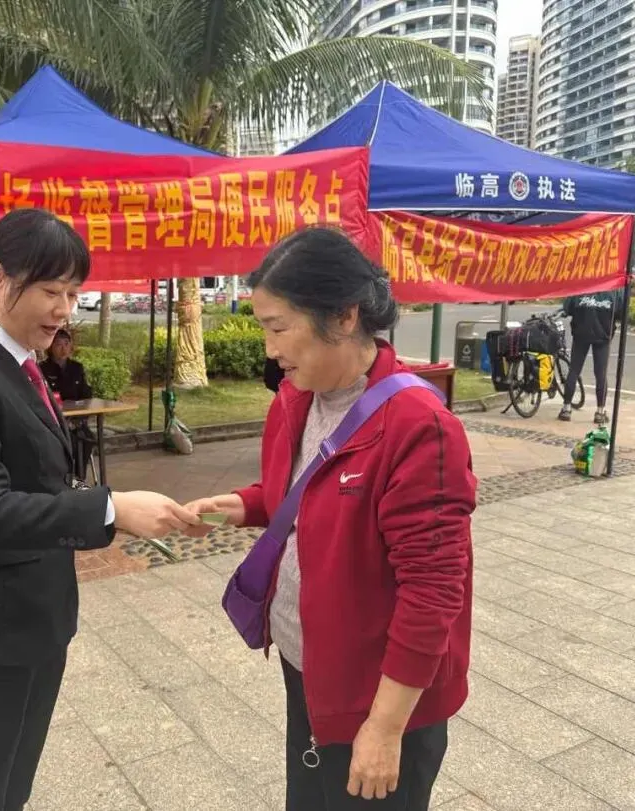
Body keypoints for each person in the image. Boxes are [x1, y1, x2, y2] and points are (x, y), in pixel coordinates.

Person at [0, 208, 201, 811]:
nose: (65, 310)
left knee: (9, 791)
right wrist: (110, 509)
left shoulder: (21, 364)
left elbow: (39, 480)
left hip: (35, 623)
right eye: (51, 291)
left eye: (73, 293)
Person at [185, 228, 475, 811]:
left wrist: (385, 728)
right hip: (310, 671)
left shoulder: (418, 426)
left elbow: (433, 590)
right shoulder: (297, 398)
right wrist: (243, 505)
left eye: (278, 327)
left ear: (344, 317)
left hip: (380, 697)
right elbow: (300, 492)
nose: (269, 348)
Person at [559, 289, 621, 425]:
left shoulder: (581, 288)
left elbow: (567, 309)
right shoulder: (613, 292)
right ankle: (600, 411)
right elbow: (620, 312)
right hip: (603, 335)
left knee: (574, 371)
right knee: (601, 374)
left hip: (581, 335)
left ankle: (566, 408)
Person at [40, 329, 95, 479]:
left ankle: (79, 479)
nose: (63, 349)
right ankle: (65, 479)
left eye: (66, 344)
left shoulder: (77, 368)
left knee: (86, 439)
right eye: (58, 344)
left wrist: (80, 418)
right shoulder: (42, 369)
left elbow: (86, 395)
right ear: (50, 347)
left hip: (76, 420)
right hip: (54, 422)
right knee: (68, 442)